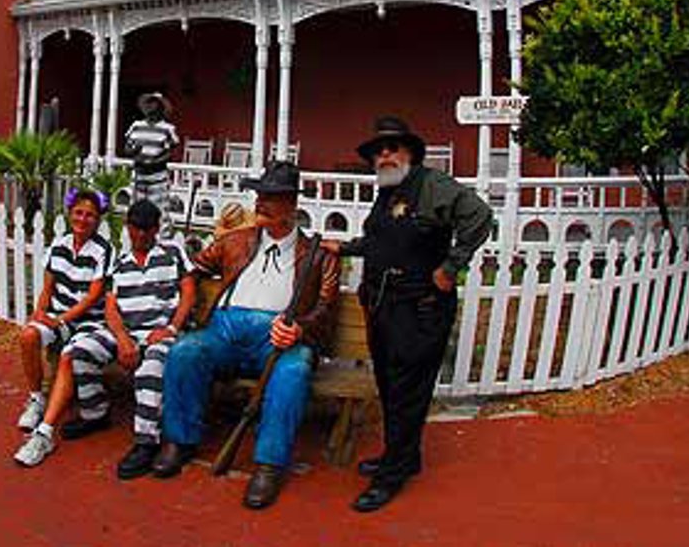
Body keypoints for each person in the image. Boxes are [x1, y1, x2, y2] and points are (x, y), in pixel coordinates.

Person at [324, 116, 493, 513]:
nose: (384, 155)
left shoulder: (432, 186)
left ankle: (390, 477)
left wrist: (451, 268)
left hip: (420, 310)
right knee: (391, 387)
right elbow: (382, 242)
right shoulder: (388, 191)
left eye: (392, 148)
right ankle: (404, 456)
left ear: (411, 153)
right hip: (383, 306)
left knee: (406, 393)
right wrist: (345, 248)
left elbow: (480, 217)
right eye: (378, 151)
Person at [154, 160, 339, 510]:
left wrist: (300, 328)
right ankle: (179, 440)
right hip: (224, 330)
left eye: (272, 196)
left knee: (295, 370)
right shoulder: (234, 241)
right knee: (185, 351)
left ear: (292, 205)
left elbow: (326, 312)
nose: (261, 203)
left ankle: (269, 464)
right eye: (260, 195)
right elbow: (191, 270)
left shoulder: (317, 255)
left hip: (277, 338)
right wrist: (185, 302)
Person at [13, 199, 195, 478]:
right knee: (78, 352)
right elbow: (110, 306)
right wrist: (122, 338)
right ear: (128, 228)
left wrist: (171, 329)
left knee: (150, 367)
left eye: (148, 229)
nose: (142, 235)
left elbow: (188, 293)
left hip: (159, 332)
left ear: (157, 229)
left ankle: (146, 442)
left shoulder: (173, 252)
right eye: (136, 229)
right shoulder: (120, 264)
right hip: (124, 331)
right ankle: (95, 412)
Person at [13, 189, 114, 438]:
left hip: (90, 321)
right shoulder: (58, 246)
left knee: (70, 353)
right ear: (69, 214)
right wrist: (39, 313)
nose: (83, 219)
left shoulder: (104, 250)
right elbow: (48, 288)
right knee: (28, 336)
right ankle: (37, 398)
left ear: (98, 220)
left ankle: (48, 429)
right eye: (78, 213)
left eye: (90, 215)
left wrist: (59, 320)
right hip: (59, 316)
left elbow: (93, 297)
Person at [124, 92, 179, 220]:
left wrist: (154, 161)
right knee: (136, 210)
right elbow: (127, 148)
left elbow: (171, 152)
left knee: (159, 211)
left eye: (153, 103)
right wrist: (133, 152)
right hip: (138, 174)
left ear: (160, 107)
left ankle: (161, 238)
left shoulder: (168, 128)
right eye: (147, 103)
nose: (150, 106)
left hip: (158, 176)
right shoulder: (136, 126)